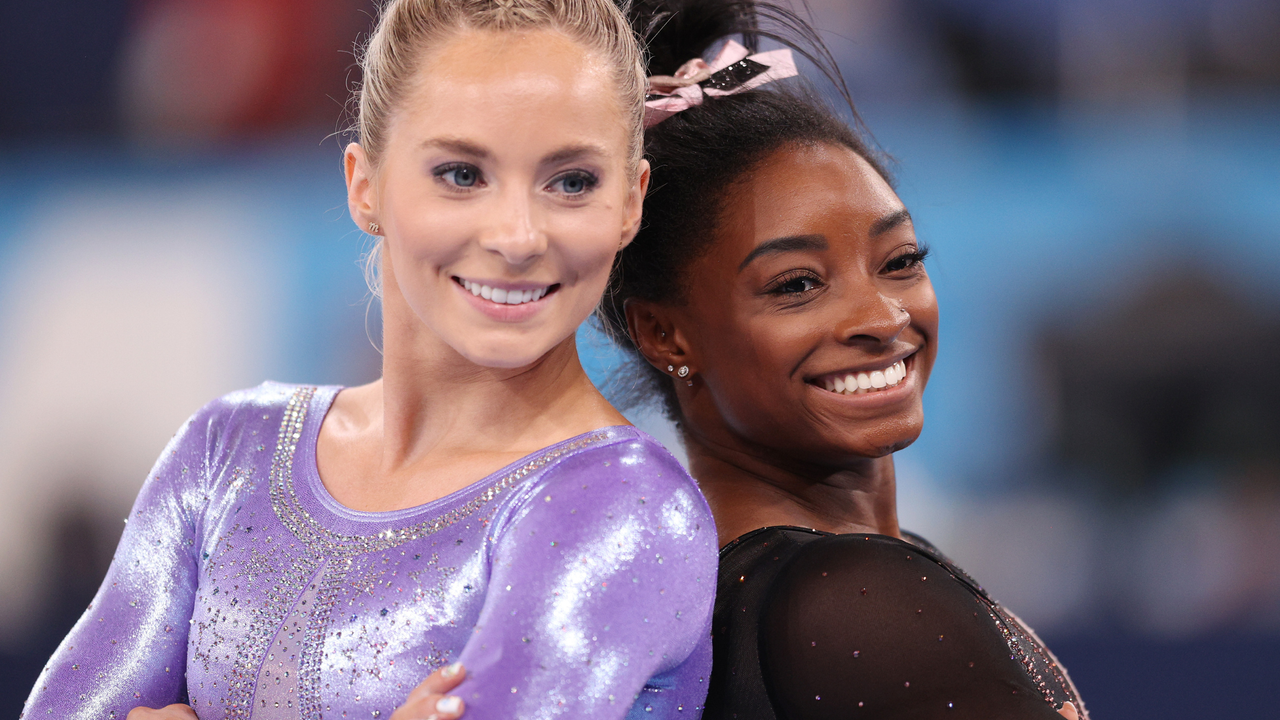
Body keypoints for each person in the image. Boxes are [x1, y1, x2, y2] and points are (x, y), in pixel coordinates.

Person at [21, 1, 718, 718]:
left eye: (572, 182)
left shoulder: (622, 506)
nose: (517, 236)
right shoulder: (227, 450)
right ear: (365, 183)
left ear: (630, 202)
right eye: (461, 174)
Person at [600, 0, 1088, 717]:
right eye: (797, 285)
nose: (883, 317)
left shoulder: (760, 590)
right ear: (665, 335)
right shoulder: (854, 600)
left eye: (900, 261)